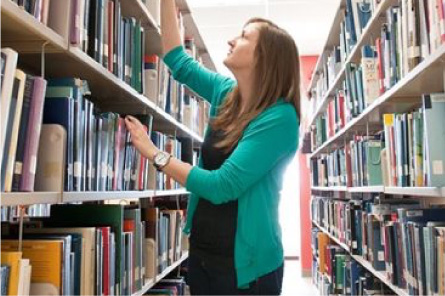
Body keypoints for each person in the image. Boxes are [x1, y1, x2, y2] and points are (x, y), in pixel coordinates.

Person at [124, 0, 300, 294]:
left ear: (264, 58)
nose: (232, 40)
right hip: (203, 253)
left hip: (246, 269)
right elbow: (178, 61)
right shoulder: (227, 93)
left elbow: (223, 185)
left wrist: (156, 154)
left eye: (244, 36)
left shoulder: (279, 118)